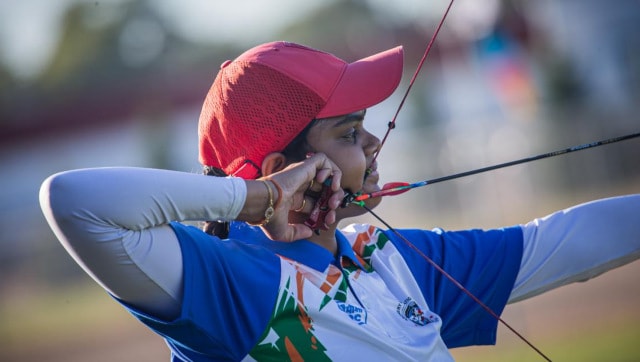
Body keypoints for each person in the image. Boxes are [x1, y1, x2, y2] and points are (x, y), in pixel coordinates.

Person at [39, 41, 639, 361]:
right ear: (290, 170)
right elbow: (74, 202)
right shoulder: (234, 282)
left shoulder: (390, 259)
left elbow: (565, 241)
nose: (375, 143)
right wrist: (259, 198)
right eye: (350, 134)